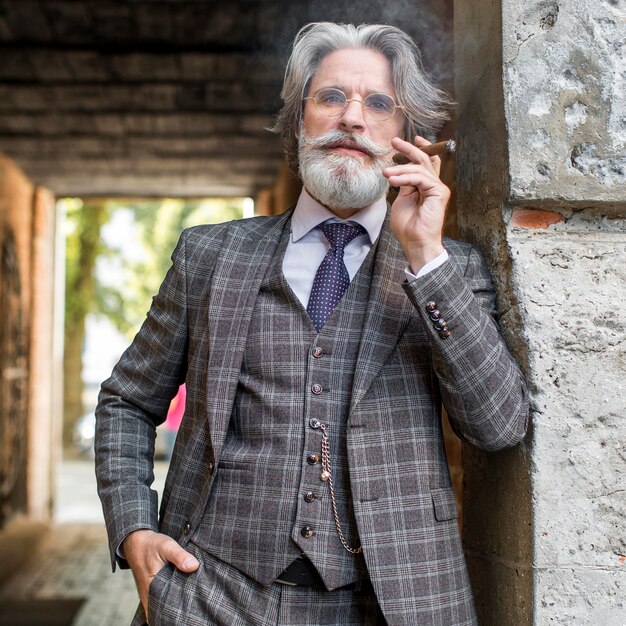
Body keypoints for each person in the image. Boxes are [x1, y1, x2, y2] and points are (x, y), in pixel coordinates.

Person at [95, 22, 528, 626]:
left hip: (390, 606)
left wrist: (427, 257)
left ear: (408, 137)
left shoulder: (449, 269)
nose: (352, 118)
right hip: (210, 597)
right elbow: (127, 400)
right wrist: (134, 531)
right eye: (331, 97)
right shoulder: (210, 256)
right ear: (300, 120)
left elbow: (499, 426)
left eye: (379, 104)